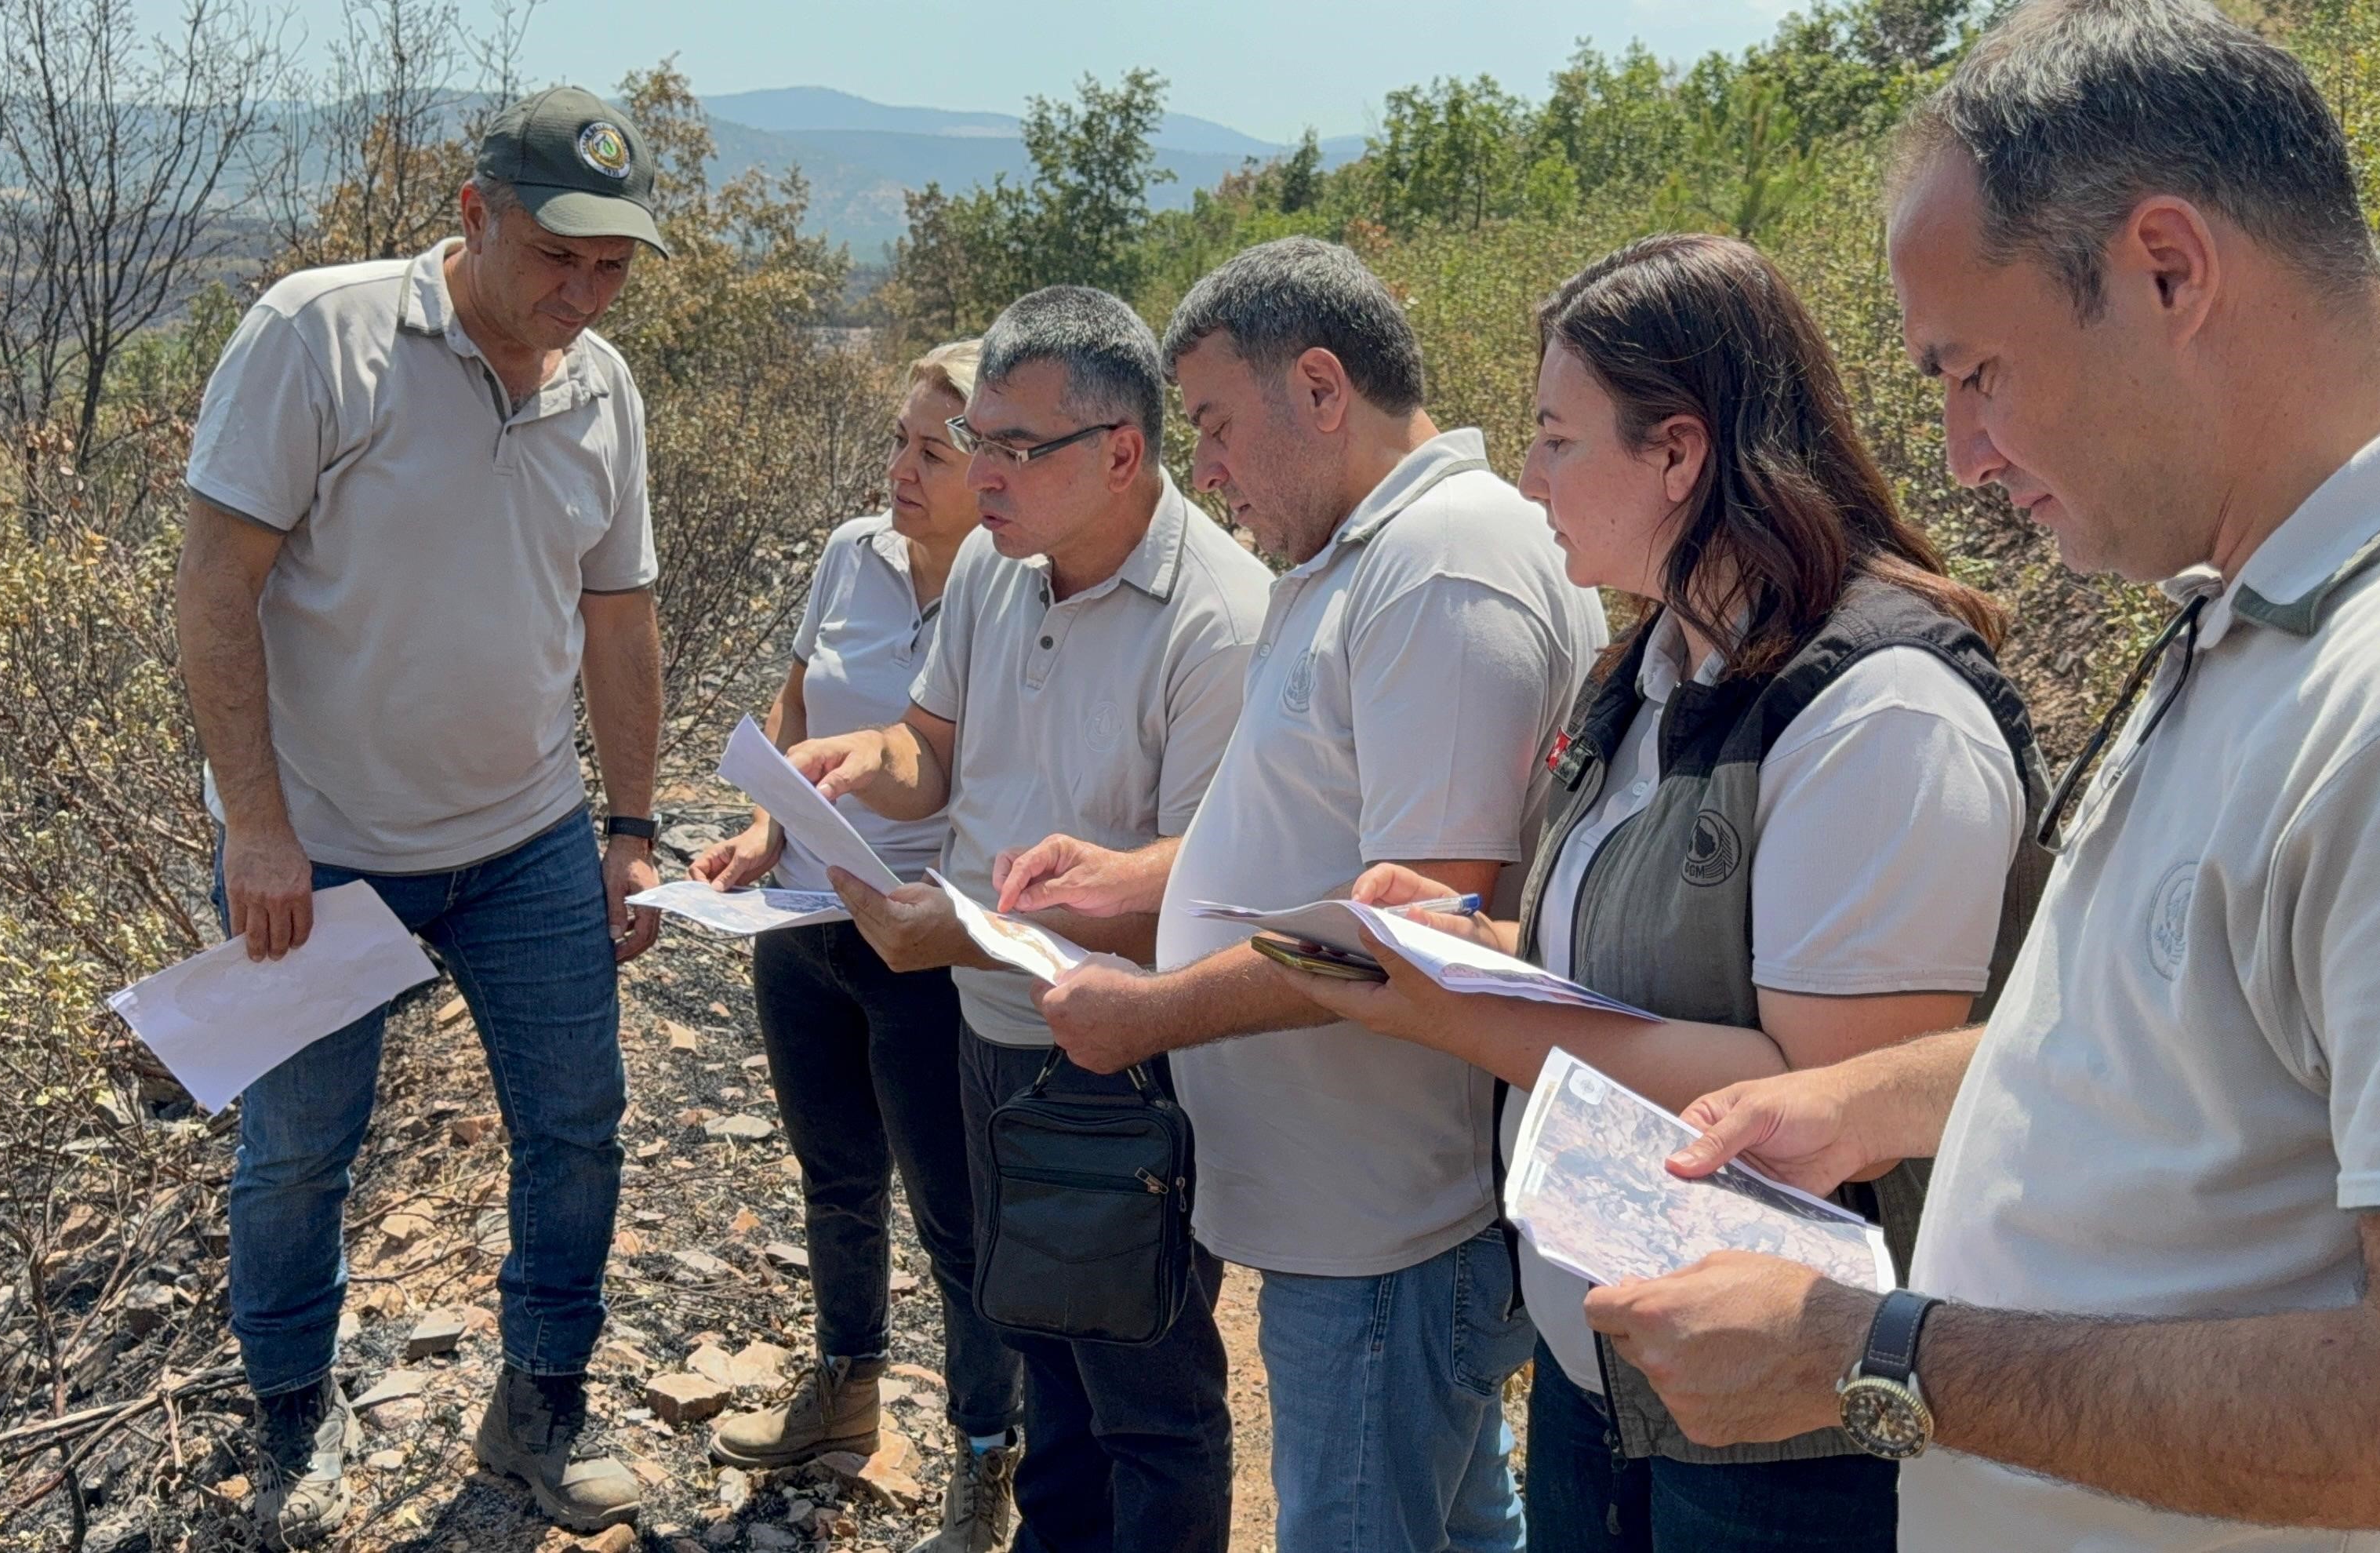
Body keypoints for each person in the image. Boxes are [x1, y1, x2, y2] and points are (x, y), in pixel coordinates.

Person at [1581, 2, 2380, 1550]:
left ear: (2167, 271)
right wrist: (1862, 1102)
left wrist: (1875, 1357)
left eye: (1973, 370)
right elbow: (2210, 1050)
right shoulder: (2271, 606)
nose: (1960, 452)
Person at [1284, 231, 2048, 1551]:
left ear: (1681, 453)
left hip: (1786, 1442)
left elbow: (1835, 1096)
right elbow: (1646, 966)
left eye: (1556, 440)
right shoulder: (1650, 672)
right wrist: (1478, 944)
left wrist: (1450, 1010)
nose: (1529, 482)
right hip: (1618, 1382)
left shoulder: (1881, 712)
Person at [994, 237, 1607, 1552]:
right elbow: (1310, 838)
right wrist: (1148, 880)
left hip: (1388, 1228)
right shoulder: (1368, 553)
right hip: (1355, 1222)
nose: (1202, 470)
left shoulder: (1440, 566)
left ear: (1321, 390)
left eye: (1213, 424)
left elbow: (1416, 931)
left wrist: (1151, 1013)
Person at [173, 85, 669, 1545]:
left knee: (577, 1130)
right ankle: (289, 1417)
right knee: (300, 1154)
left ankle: (541, 1405)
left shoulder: (603, 389)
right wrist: (257, 829)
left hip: (522, 840)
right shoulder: (317, 336)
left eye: (612, 266)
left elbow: (620, 618)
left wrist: (628, 826)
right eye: (558, 255)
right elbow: (215, 589)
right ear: (475, 215)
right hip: (322, 851)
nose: (582, 292)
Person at [788, 286, 1274, 1553]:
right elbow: (933, 749)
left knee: (1149, 1402)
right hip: (989, 1037)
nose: (983, 477)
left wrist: (963, 928)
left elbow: (1203, 893)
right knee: (1050, 1372)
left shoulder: (1219, 619)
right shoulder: (1003, 577)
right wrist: (861, 764)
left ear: (1122, 452)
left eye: (1015, 449)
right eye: (979, 443)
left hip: (1124, 1055)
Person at [685, 340, 1027, 1552]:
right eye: (897, 441)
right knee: (836, 1182)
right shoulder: (849, 554)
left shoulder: (1012, 583)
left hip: (926, 948)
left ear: (988, 462)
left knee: (955, 1219)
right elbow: (796, 709)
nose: (900, 470)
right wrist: (764, 824)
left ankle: (988, 1458)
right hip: (803, 924)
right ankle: (846, 1395)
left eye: (931, 452)